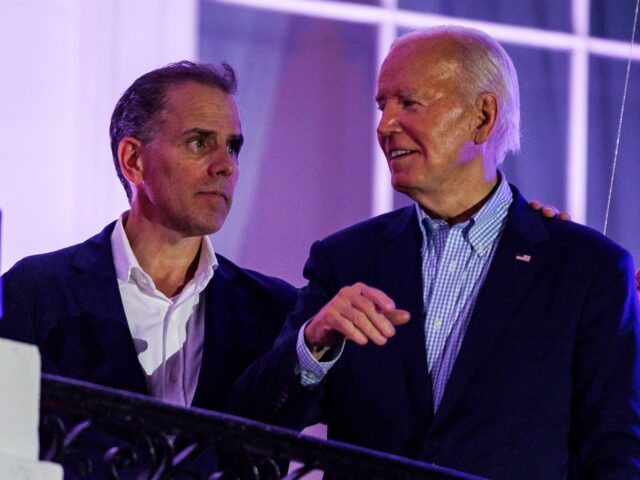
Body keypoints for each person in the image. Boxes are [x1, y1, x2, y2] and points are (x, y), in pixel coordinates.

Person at [229, 26, 640, 479]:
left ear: (482, 118)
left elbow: (614, 451)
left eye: (409, 103)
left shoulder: (587, 269)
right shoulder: (345, 259)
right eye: (382, 105)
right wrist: (314, 342)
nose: (385, 125)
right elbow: (250, 429)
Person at [0, 62, 296, 472]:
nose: (225, 165)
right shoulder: (33, 292)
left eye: (232, 146)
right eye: (199, 143)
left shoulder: (274, 310)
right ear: (134, 160)